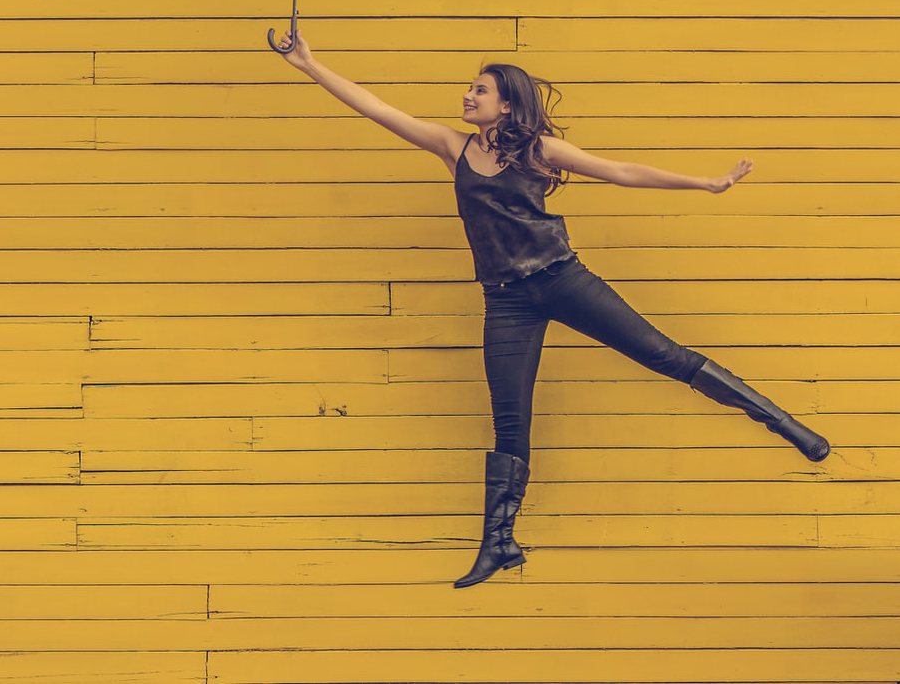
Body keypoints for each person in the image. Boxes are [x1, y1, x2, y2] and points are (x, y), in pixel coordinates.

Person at [275, 31, 830, 589]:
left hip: (562, 279)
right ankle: (499, 544)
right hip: (506, 300)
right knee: (510, 422)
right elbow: (375, 106)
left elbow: (620, 171)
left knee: (664, 355)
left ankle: (784, 424)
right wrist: (308, 64)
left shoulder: (538, 149)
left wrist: (706, 182)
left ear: (506, 103)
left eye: (479, 90)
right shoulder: (453, 147)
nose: (468, 97)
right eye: (470, 89)